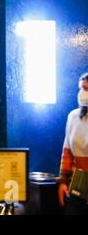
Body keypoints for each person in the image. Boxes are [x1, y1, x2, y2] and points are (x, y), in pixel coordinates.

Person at [58, 72, 88, 215]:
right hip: (76, 188)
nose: (83, 93)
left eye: (87, 89)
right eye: (81, 88)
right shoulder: (73, 117)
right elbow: (67, 153)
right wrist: (63, 181)